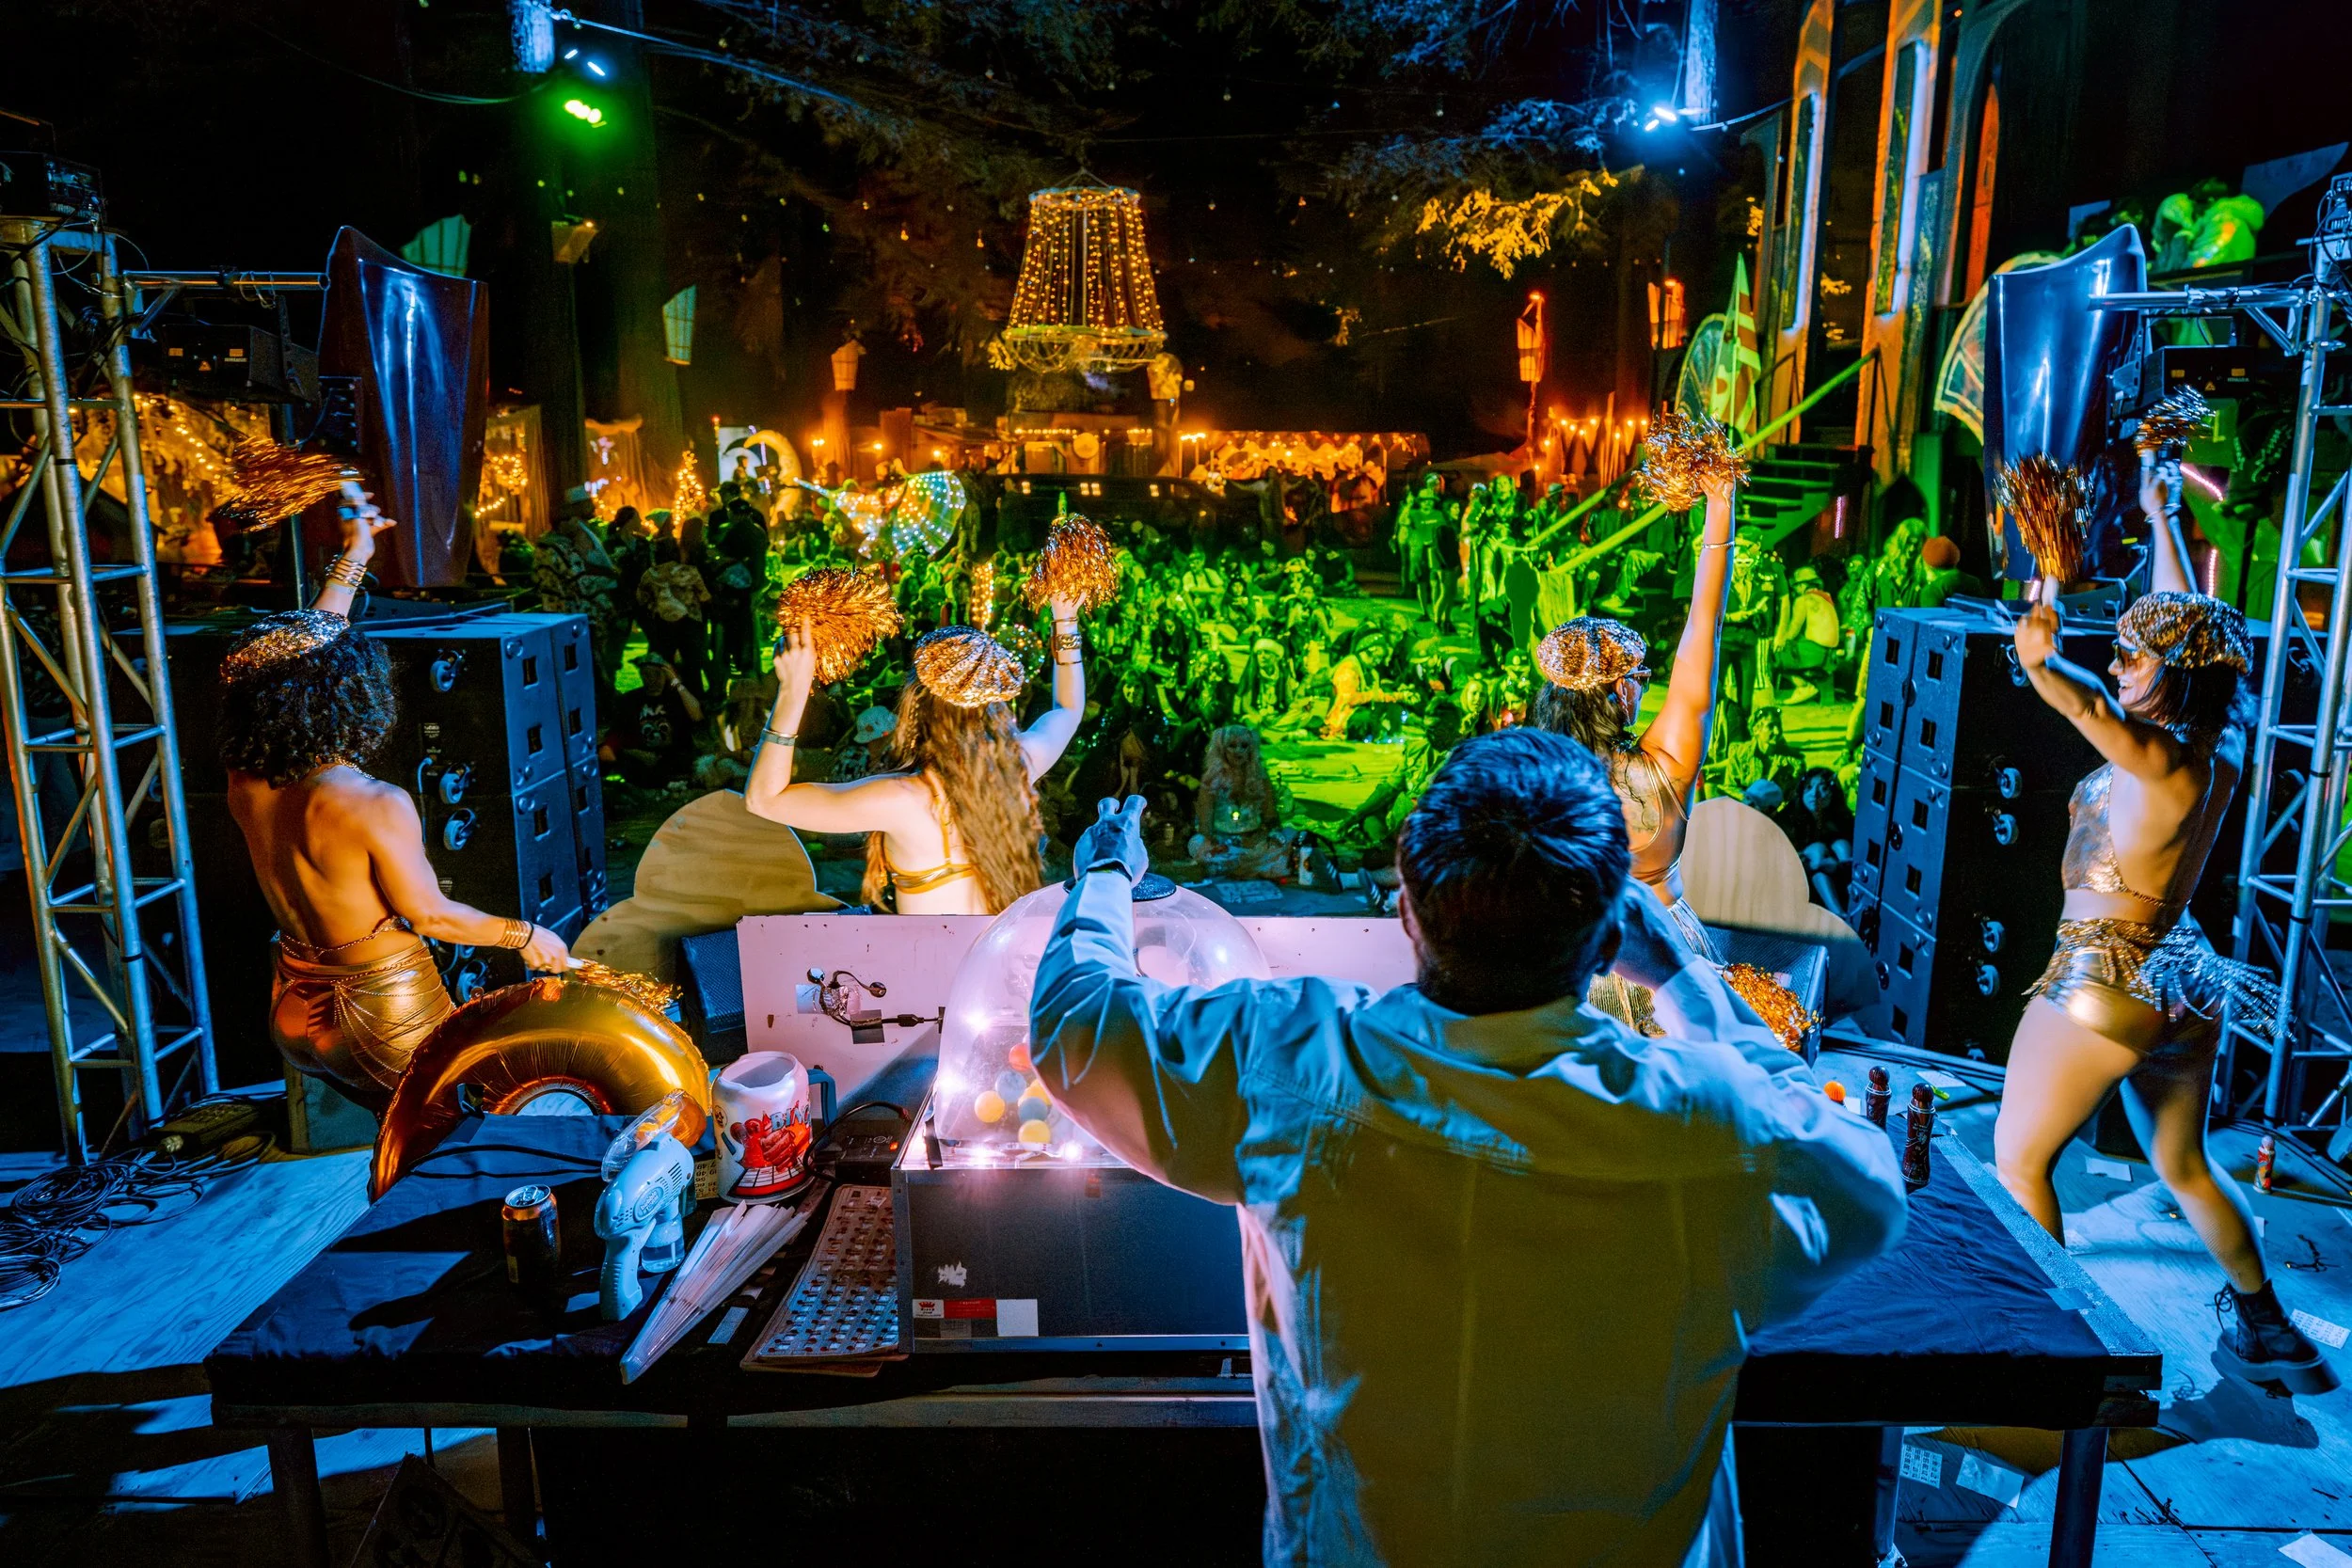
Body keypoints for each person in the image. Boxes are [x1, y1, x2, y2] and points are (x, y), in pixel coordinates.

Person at [1029, 731, 1907, 1566]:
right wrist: (1680, 974)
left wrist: (1108, 870)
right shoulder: (1708, 1122)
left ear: (1407, 907)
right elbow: (1869, 1185)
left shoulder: (1289, 1059)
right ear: (1609, 942)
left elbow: (1074, 1018)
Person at [1997, 455, 2334, 1394]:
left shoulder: (2152, 757)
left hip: (2101, 985)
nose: (2119, 657)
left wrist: (2040, 660)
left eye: (2134, 655)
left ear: (2169, 679)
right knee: (2182, 1164)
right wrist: (2161, 515)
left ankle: (2050, 1356)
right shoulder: (2207, 751)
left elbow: (2089, 703)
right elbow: (2178, 625)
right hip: (2176, 983)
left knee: (2018, 1157)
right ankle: (2269, 1328)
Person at [222, 499, 571, 1112]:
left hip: (294, 1003)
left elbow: (300, 661)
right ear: (352, 698)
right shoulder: (372, 802)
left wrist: (354, 557)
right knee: (448, 1142)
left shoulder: (246, 778)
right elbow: (432, 915)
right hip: (380, 1012)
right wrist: (526, 935)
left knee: (398, 1142)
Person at [1531, 465, 1738, 1033]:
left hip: (1568, 967)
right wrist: (1720, 502)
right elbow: (1706, 624)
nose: (1644, 687)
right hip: (1663, 967)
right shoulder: (1664, 767)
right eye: (1641, 677)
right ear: (1622, 690)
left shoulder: (1533, 783)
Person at [743, 596, 1087, 915]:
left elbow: (764, 800)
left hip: (933, 973)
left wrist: (794, 690)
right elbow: (1069, 709)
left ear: (915, 708)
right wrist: (1065, 618)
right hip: (1007, 966)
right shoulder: (1020, 766)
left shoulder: (904, 799)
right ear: (994, 707)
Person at [1188, 725, 1297, 879]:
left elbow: (1271, 818)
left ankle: (1239, 868)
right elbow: (1205, 826)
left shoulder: (1260, 777)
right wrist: (1219, 844)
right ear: (1222, 749)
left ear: (1251, 750)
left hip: (1254, 844)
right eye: (1232, 746)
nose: (1238, 751)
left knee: (1289, 834)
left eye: (1244, 746)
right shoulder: (1211, 779)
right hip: (1222, 845)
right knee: (1196, 843)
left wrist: (1260, 837)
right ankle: (1247, 868)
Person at [636, 537, 712, 698]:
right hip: (690, 623)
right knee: (692, 666)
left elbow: (641, 599)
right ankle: (695, 703)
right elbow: (705, 596)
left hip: (662, 624)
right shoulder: (689, 572)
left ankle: (667, 699)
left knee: (665, 664)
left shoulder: (650, 575)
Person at [1772, 564, 1842, 704]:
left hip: (1815, 652)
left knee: (1773, 656)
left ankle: (1804, 686)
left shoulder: (1803, 600)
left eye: (1797, 586)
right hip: (1830, 652)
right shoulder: (1827, 598)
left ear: (1803, 585)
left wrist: (1779, 640)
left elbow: (1794, 629)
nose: (1796, 590)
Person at [1708, 705, 1806, 805]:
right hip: (1744, 809)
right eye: (1771, 726)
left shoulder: (1794, 761)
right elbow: (1729, 787)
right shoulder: (1739, 753)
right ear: (1756, 730)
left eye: (1779, 725)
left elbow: (1795, 796)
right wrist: (1747, 800)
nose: (1777, 731)